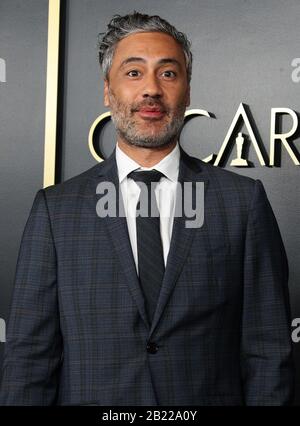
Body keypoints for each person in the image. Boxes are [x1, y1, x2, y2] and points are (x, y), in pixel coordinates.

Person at [0, 11, 294, 406]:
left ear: (188, 92)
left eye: (168, 74)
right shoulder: (57, 211)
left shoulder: (242, 202)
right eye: (134, 73)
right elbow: (29, 361)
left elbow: (268, 350)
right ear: (108, 91)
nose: (152, 90)